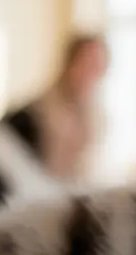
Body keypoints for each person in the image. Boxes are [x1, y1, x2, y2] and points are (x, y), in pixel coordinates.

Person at [27, 33, 109, 183]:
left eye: (96, 65)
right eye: (85, 63)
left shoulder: (97, 115)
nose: (89, 72)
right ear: (69, 63)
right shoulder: (35, 114)